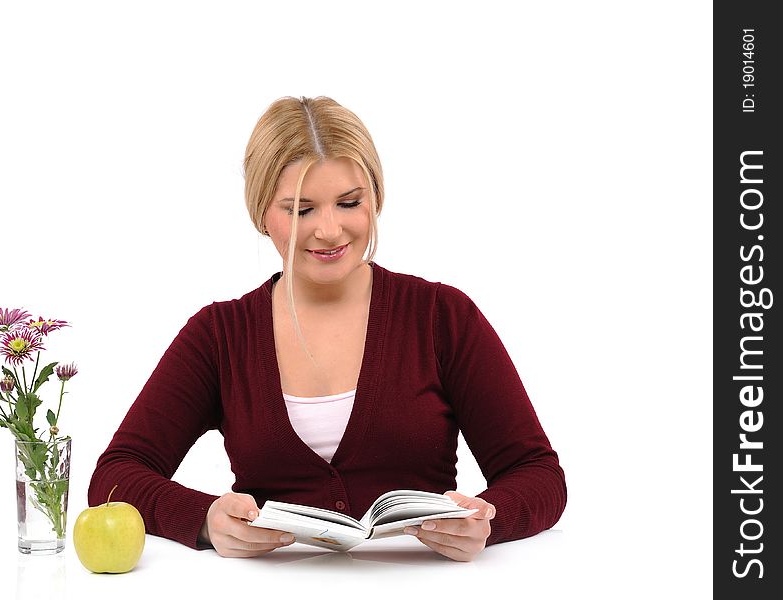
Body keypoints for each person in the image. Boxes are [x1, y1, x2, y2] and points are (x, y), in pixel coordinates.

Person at [89, 96, 567, 562]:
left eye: (349, 202)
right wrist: (205, 519)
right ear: (261, 214)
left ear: (375, 199)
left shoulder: (443, 317)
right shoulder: (219, 335)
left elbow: (539, 473)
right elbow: (115, 476)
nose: (330, 230)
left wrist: (488, 521)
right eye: (301, 210)